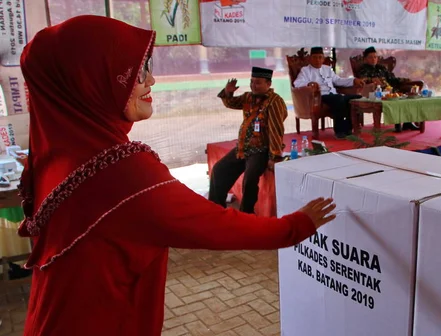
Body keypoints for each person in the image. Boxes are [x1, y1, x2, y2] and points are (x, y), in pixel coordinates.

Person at [17, 15, 336, 336]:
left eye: (147, 67)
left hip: (51, 320)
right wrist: (294, 226)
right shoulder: (120, 171)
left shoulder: (51, 156)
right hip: (98, 324)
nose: (150, 81)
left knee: (251, 177)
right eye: (135, 71)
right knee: (223, 174)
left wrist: (274, 155)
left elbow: (275, 129)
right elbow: (214, 227)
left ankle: (246, 204)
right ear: (90, 80)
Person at [208, 67, 286, 214]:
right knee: (219, 170)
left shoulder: (275, 101)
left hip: (261, 150)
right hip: (243, 148)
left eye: (257, 83)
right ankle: (215, 210)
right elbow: (231, 103)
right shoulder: (248, 97)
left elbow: (276, 129)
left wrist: (274, 156)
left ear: (268, 84)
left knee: (249, 180)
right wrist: (228, 92)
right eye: (251, 82)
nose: (253, 85)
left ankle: (247, 214)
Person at [294, 47, 364, 138]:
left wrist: (353, 81)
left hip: (334, 95)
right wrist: (309, 84)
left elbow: (338, 80)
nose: (317, 60)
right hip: (320, 97)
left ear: (323, 58)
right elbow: (297, 83)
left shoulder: (327, 69)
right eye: (315, 57)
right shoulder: (305, 70)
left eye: (320, 57)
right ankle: (339, 131)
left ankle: (348, 128)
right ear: (310, 58)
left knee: (356, 98)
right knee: (339, 99)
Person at [357, 46, 419, 131]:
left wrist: (405, 80)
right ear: (365, 59)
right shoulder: (363, 69)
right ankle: (397, 123)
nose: (373, 59)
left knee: (406, 96)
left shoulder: (382, 68)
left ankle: (407, 123)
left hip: (391, 91)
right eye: (370, 57)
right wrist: (373, 80)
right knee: (394, 98)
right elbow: (362, 80)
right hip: (376, 93)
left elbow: (392, 79)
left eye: (375, 57)